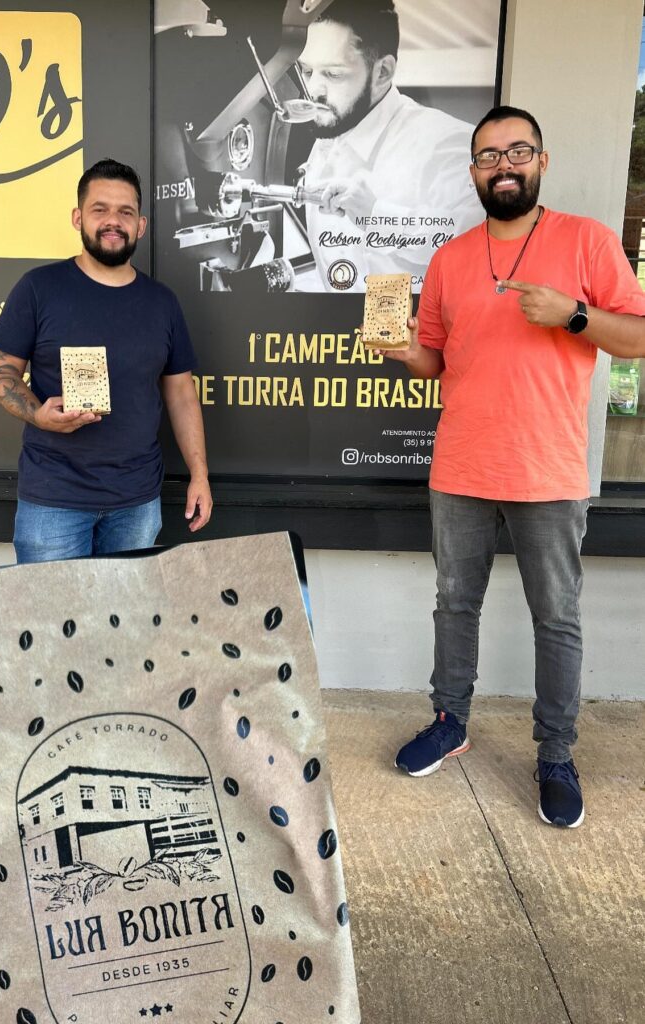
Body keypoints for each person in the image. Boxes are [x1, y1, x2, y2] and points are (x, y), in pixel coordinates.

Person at [388, 105, 645, 827]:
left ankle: (555, 753)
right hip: (461, 464)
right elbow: (436, 362)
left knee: (556, 617)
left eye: (517, 151)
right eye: (488, 156)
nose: (503, 166)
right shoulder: (449, 259)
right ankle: (450, 720)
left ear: (541, 161)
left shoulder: (587, 241)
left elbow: (636, 337)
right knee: (453, 604)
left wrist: (573, 314)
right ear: (473, 171)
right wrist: (404, 352)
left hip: (548, 468)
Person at [0, 158, 212, 563]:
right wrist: (39, 415)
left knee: (127, 608)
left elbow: (181, 394)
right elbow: (1, 373)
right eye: (100, 209)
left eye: (125, 212)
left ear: (140, 225)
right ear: (78, 218)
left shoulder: (162, 303)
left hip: (137, 502)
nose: (113, 221)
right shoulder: (38, 288)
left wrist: (200, 474)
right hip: (53, 501)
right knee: (52, 607)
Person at [297, 0, 483, 293]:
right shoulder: (330, 134)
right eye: (307, 72)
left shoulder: (449, 142)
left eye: (333, 74)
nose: (312, 91)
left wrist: (377, 216)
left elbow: (480, 244)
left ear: (382, 72)